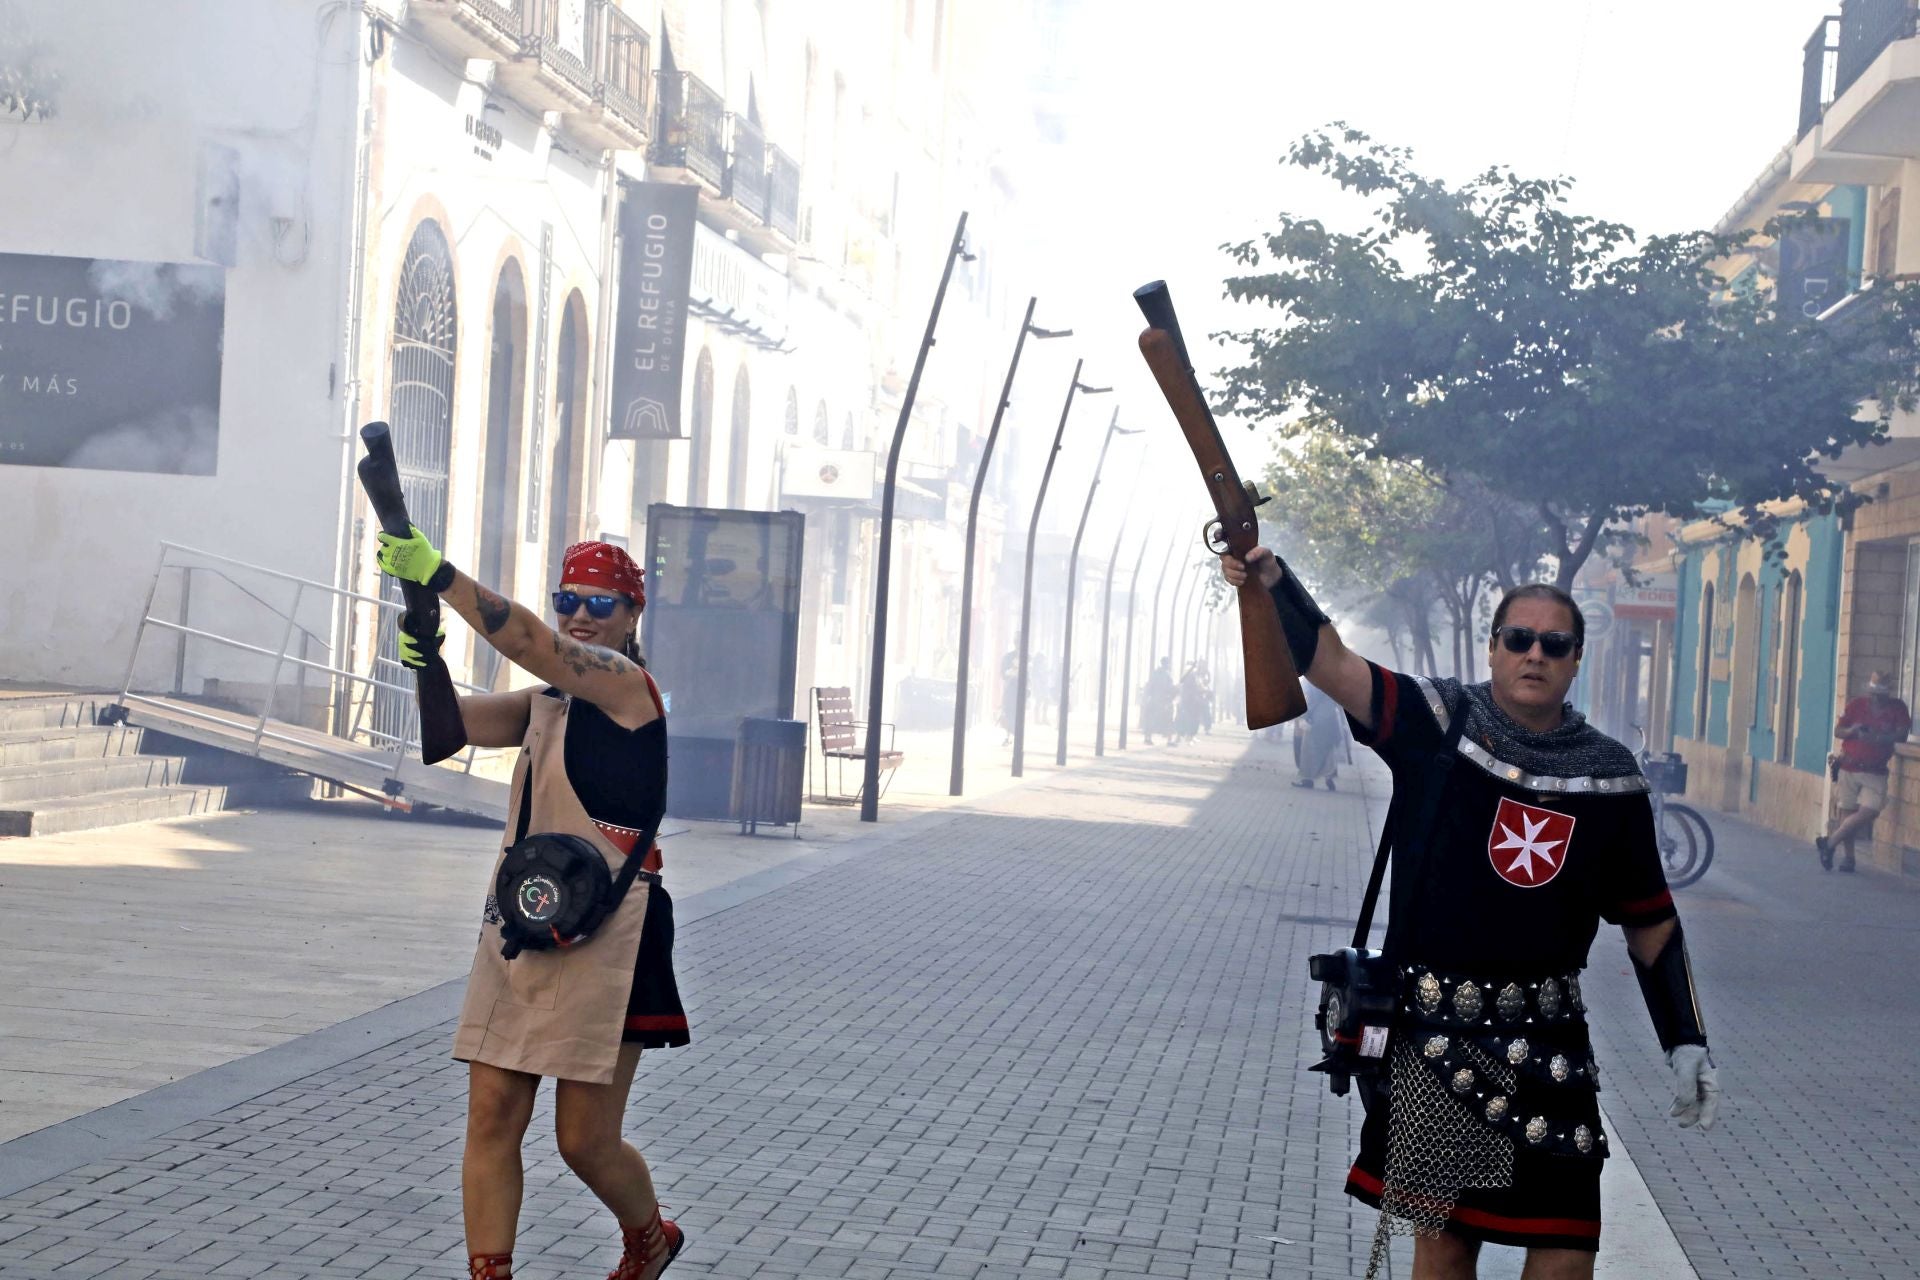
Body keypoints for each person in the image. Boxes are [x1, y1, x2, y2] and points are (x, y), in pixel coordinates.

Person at [1223, 547, 1720, 1280]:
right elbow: (1333, 664)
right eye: (1518, 638)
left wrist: (1686, 1038)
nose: (1534, 655)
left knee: (1566, 1247)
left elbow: (1650, 923)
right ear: (1493, 646)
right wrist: (1275, 586)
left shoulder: (1610, 775)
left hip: (1552, 1041)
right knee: (1448, 1247)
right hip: (1439, 1043)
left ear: (1576, 658)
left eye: (1554, 644)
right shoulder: (1437, 724)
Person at [376, 529, 688, 1280]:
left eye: (600, 603)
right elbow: (448, 732)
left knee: (583, 1141)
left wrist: (440, 574)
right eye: (568, 600)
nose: (581, 615)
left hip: (615, 932)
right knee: (491, 1114)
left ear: (632, 615)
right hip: (525, 925)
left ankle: (650, 1236)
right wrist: (429, 664)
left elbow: (538, 646)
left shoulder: (625, 691)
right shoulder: (547, 701)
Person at [1817, 670, 1912, 873]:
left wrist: (1879, 737)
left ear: (1888, 693)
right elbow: (1838, 730)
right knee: (1847, 810)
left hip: (1875, 770)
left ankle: (1830, 842)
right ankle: (1848, 859)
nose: (1876, 696)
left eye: (1881, 693)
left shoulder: (1898, 708)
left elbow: (1902, 735)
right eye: (1874, 692)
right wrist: (1853, 731)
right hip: (1848, 766)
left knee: (1871, 809)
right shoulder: (1856, 705)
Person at [1295, 682, 1345, 791]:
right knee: (1328, 750)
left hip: (1315, 720)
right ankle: (1329, 777)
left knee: (1309, 750)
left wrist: (1303, 717)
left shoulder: (1311, 681)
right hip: (1330, 719)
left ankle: (1308, 780)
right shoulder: (1331, 680)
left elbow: (1308, 700)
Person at [1142, 657, 1176, 746]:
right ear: (1167, 664)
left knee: (1151, 720)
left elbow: (1150, 685)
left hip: (1154, 699)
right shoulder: (1167, 675)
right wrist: (1176, 689)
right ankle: (1169, 740)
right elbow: (1169, 688)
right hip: (1163, 701)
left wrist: (1148, 697)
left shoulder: (1155, 673)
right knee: (1168, 720)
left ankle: (1147, 738)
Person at [999, 649, 1021, 746]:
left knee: (1014, 714)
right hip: (1010, 692)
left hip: (1017, 693)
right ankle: (1008, 736)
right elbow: (1003, 673)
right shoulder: (1008, 658)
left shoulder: (1027, 658)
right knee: (1009, 714)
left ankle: (1011, 736)